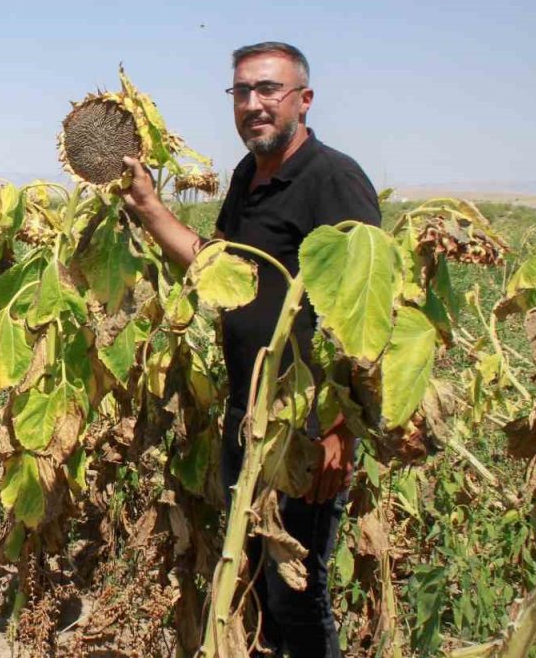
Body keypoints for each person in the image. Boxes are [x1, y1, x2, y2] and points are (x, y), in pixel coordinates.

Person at [122, 42, 379, 657]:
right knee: (256, 579)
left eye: (269, 90)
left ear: (304, 99)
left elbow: (369, 313)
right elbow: (223, 272)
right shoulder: (247, 175)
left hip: (304, 424)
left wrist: (341, 430)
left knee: (296, 587)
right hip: (248, 416)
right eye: (242, 92)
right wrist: (151, 209)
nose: (254, 105)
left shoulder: (333, 179)